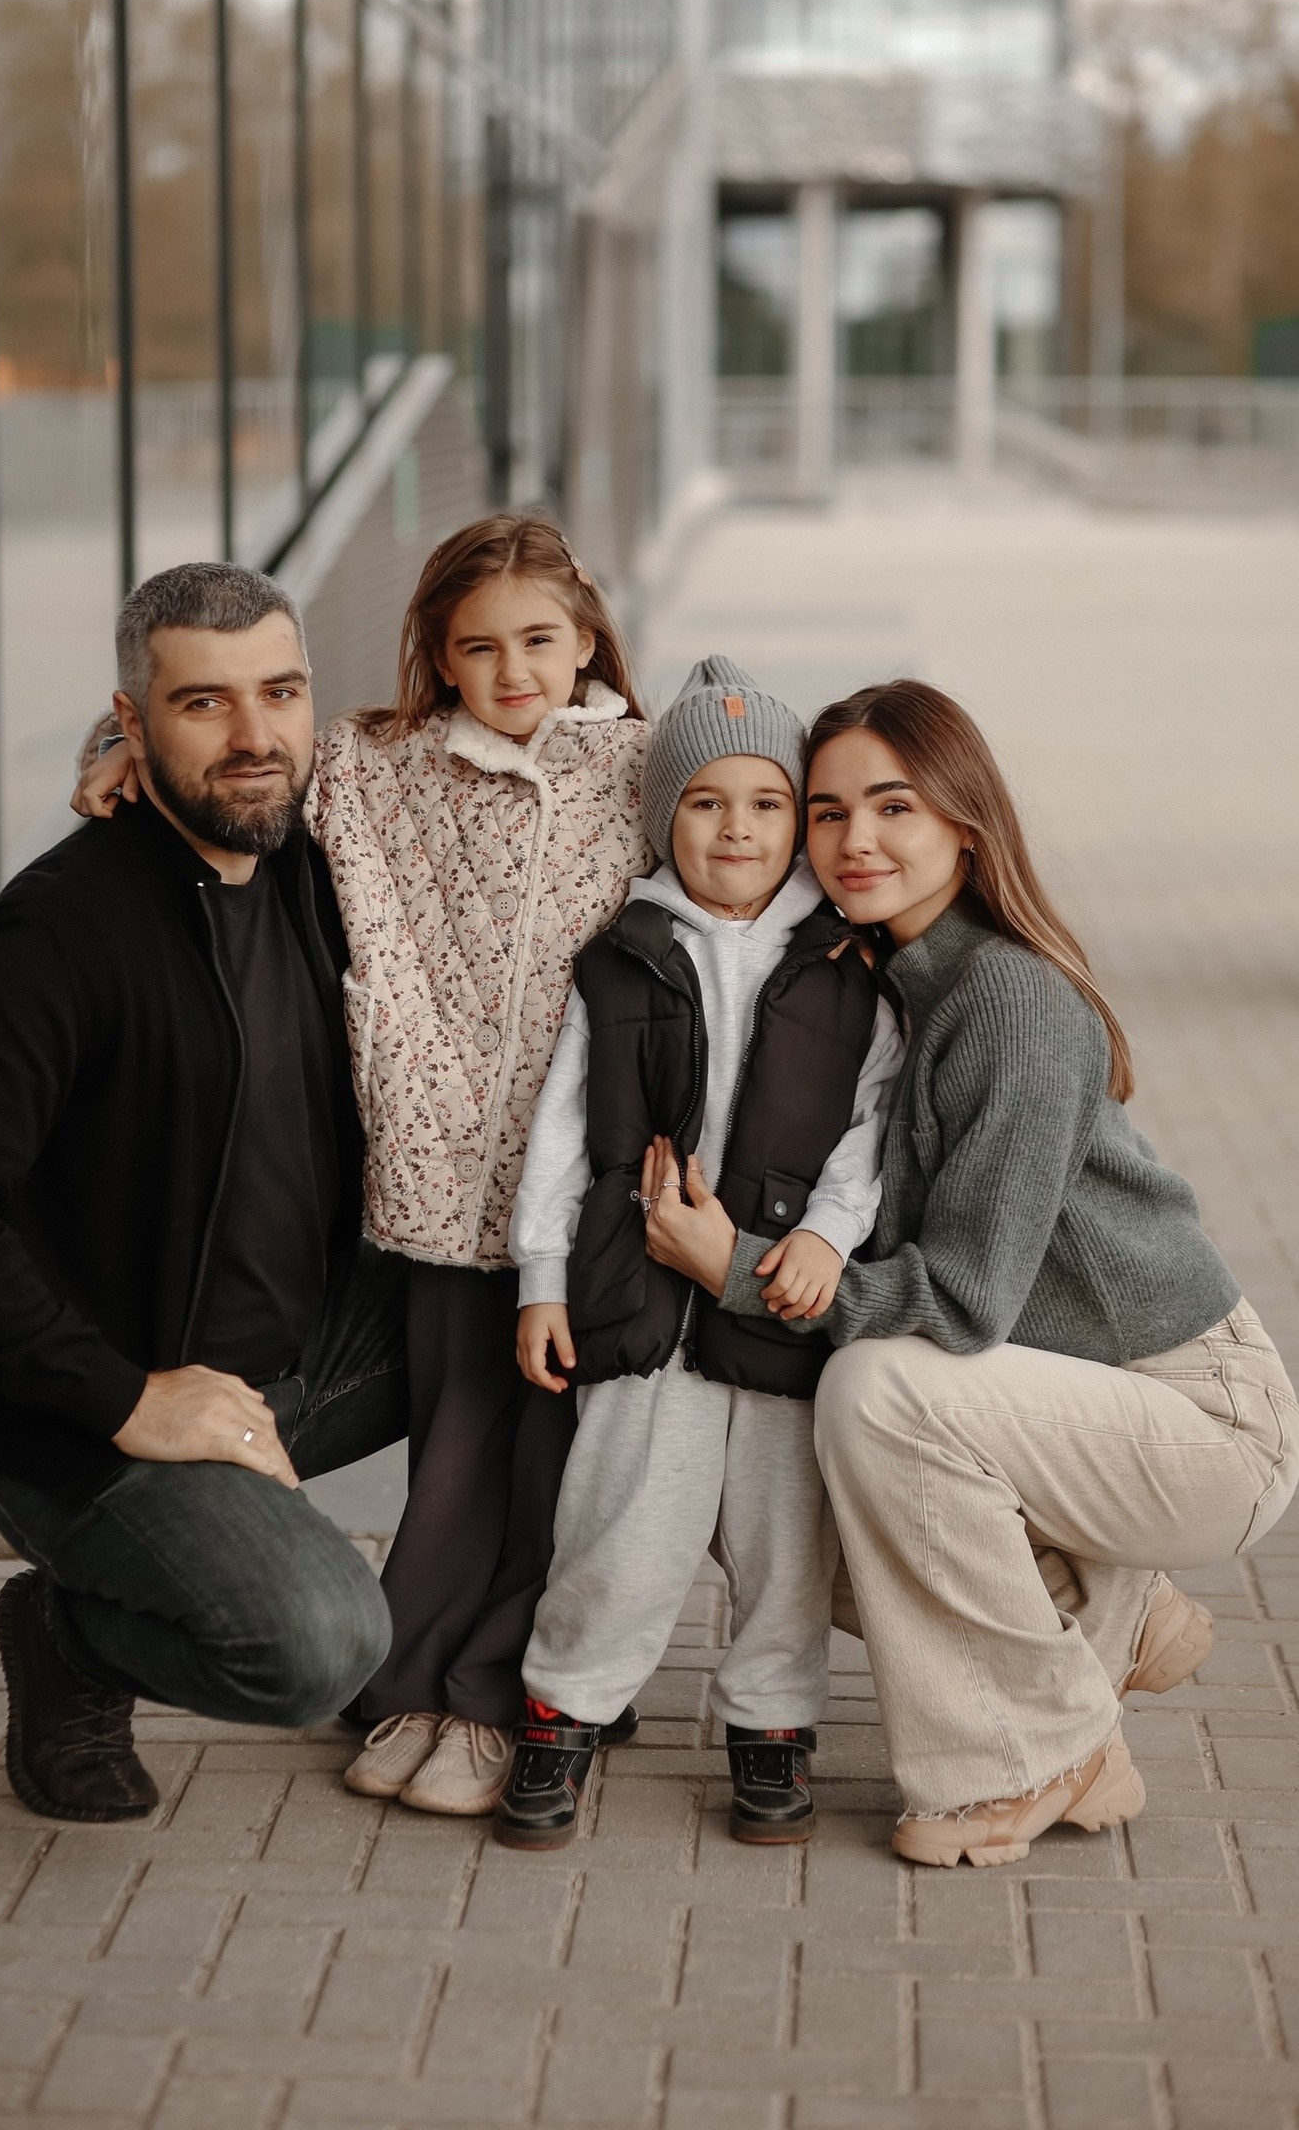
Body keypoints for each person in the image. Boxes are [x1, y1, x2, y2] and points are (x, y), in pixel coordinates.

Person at [647, 677, 1299, 1869]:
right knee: (757, 1471)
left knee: (874, 1397)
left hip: (1202, 1414)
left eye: (892, 807)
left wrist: (733, 1271)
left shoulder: (1004, 999)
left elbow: (956, 1303)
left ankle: (1039, 1749)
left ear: (963, 822)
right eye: (829, 811)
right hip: (1057, 1408)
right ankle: (1099, 1609)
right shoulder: (874, 984)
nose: (855, 841)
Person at [76, 513, 651, 1816]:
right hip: (440, 1174)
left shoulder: (639, 765)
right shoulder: (375, 764)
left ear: (584, 640)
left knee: (557, 1448)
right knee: (457, 1438)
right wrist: (111, 745)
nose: (511, 672)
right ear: (437, 657)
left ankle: (496, 1696)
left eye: (539, 641)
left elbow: (765, 806)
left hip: (592, 1180)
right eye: (477, 648)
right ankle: (413, 1677)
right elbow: (234, 766)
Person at [0, 563, 407, 1825]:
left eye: (279, 692)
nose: (256, 737)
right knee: (315, 1646)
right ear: (135, 718)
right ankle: (70, 1639)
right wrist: (125, 1397)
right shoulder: (55, 935)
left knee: (552, 1327)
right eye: (202, 705)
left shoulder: (322, 863)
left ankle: (452, 1668)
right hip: (107, 1426)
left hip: (299, 1364)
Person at [492, 658, 904, 1850]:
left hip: (779, 1287)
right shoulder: (623, 951)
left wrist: (828, 1232)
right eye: (706, 801)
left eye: (767, 802)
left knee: (784, 1532)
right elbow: (561, 1126)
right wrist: (540, 1274)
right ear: (665, 815)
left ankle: (769, 1729)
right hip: (639, 1284)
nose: (736, 827)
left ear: (797, 822)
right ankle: (565, 1712)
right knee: (621, 1512)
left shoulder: (844, 965)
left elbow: (875, 1124)